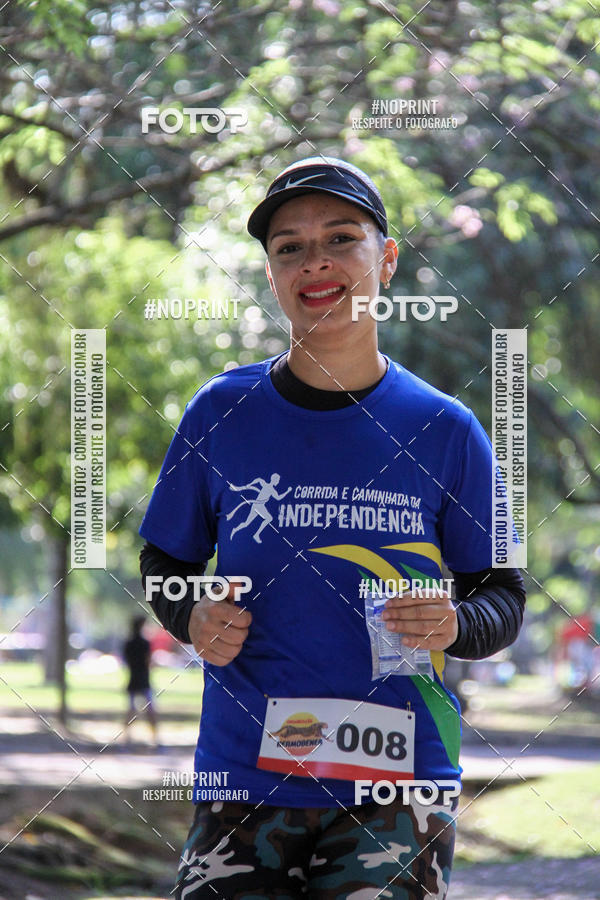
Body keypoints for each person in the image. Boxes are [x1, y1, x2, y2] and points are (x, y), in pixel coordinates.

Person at [139, 157, 526, 898]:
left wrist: (454, 624)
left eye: (341, 238)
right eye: (289, 247)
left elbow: (501, 595)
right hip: (245, 775)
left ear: (385, 259)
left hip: (400, 785)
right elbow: (164, 559)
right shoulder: (220, 412)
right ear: (272, 272)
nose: (314, 262)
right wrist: (190, 613)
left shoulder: (447, 427)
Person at [122, 615, 158, 745]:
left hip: (133, 680)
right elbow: (149, 661)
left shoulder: (128, 643)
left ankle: (126, 738)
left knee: (131, 710)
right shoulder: (145, 643)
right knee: (151, 710)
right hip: (144, 680)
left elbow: (126, 661)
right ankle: (155, 739)